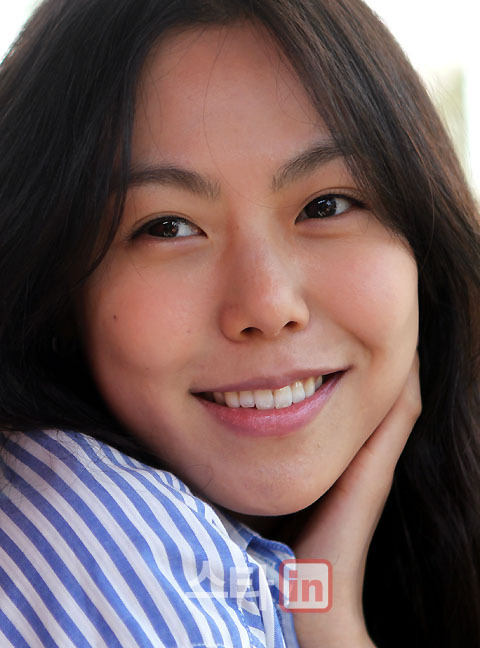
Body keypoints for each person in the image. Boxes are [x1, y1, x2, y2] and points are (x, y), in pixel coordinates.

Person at [0, 0, 479, 646]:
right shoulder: (100, 538)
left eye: (326, 205)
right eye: (168, 226)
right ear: (55, 286)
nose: (268, 305)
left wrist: (321, 602)